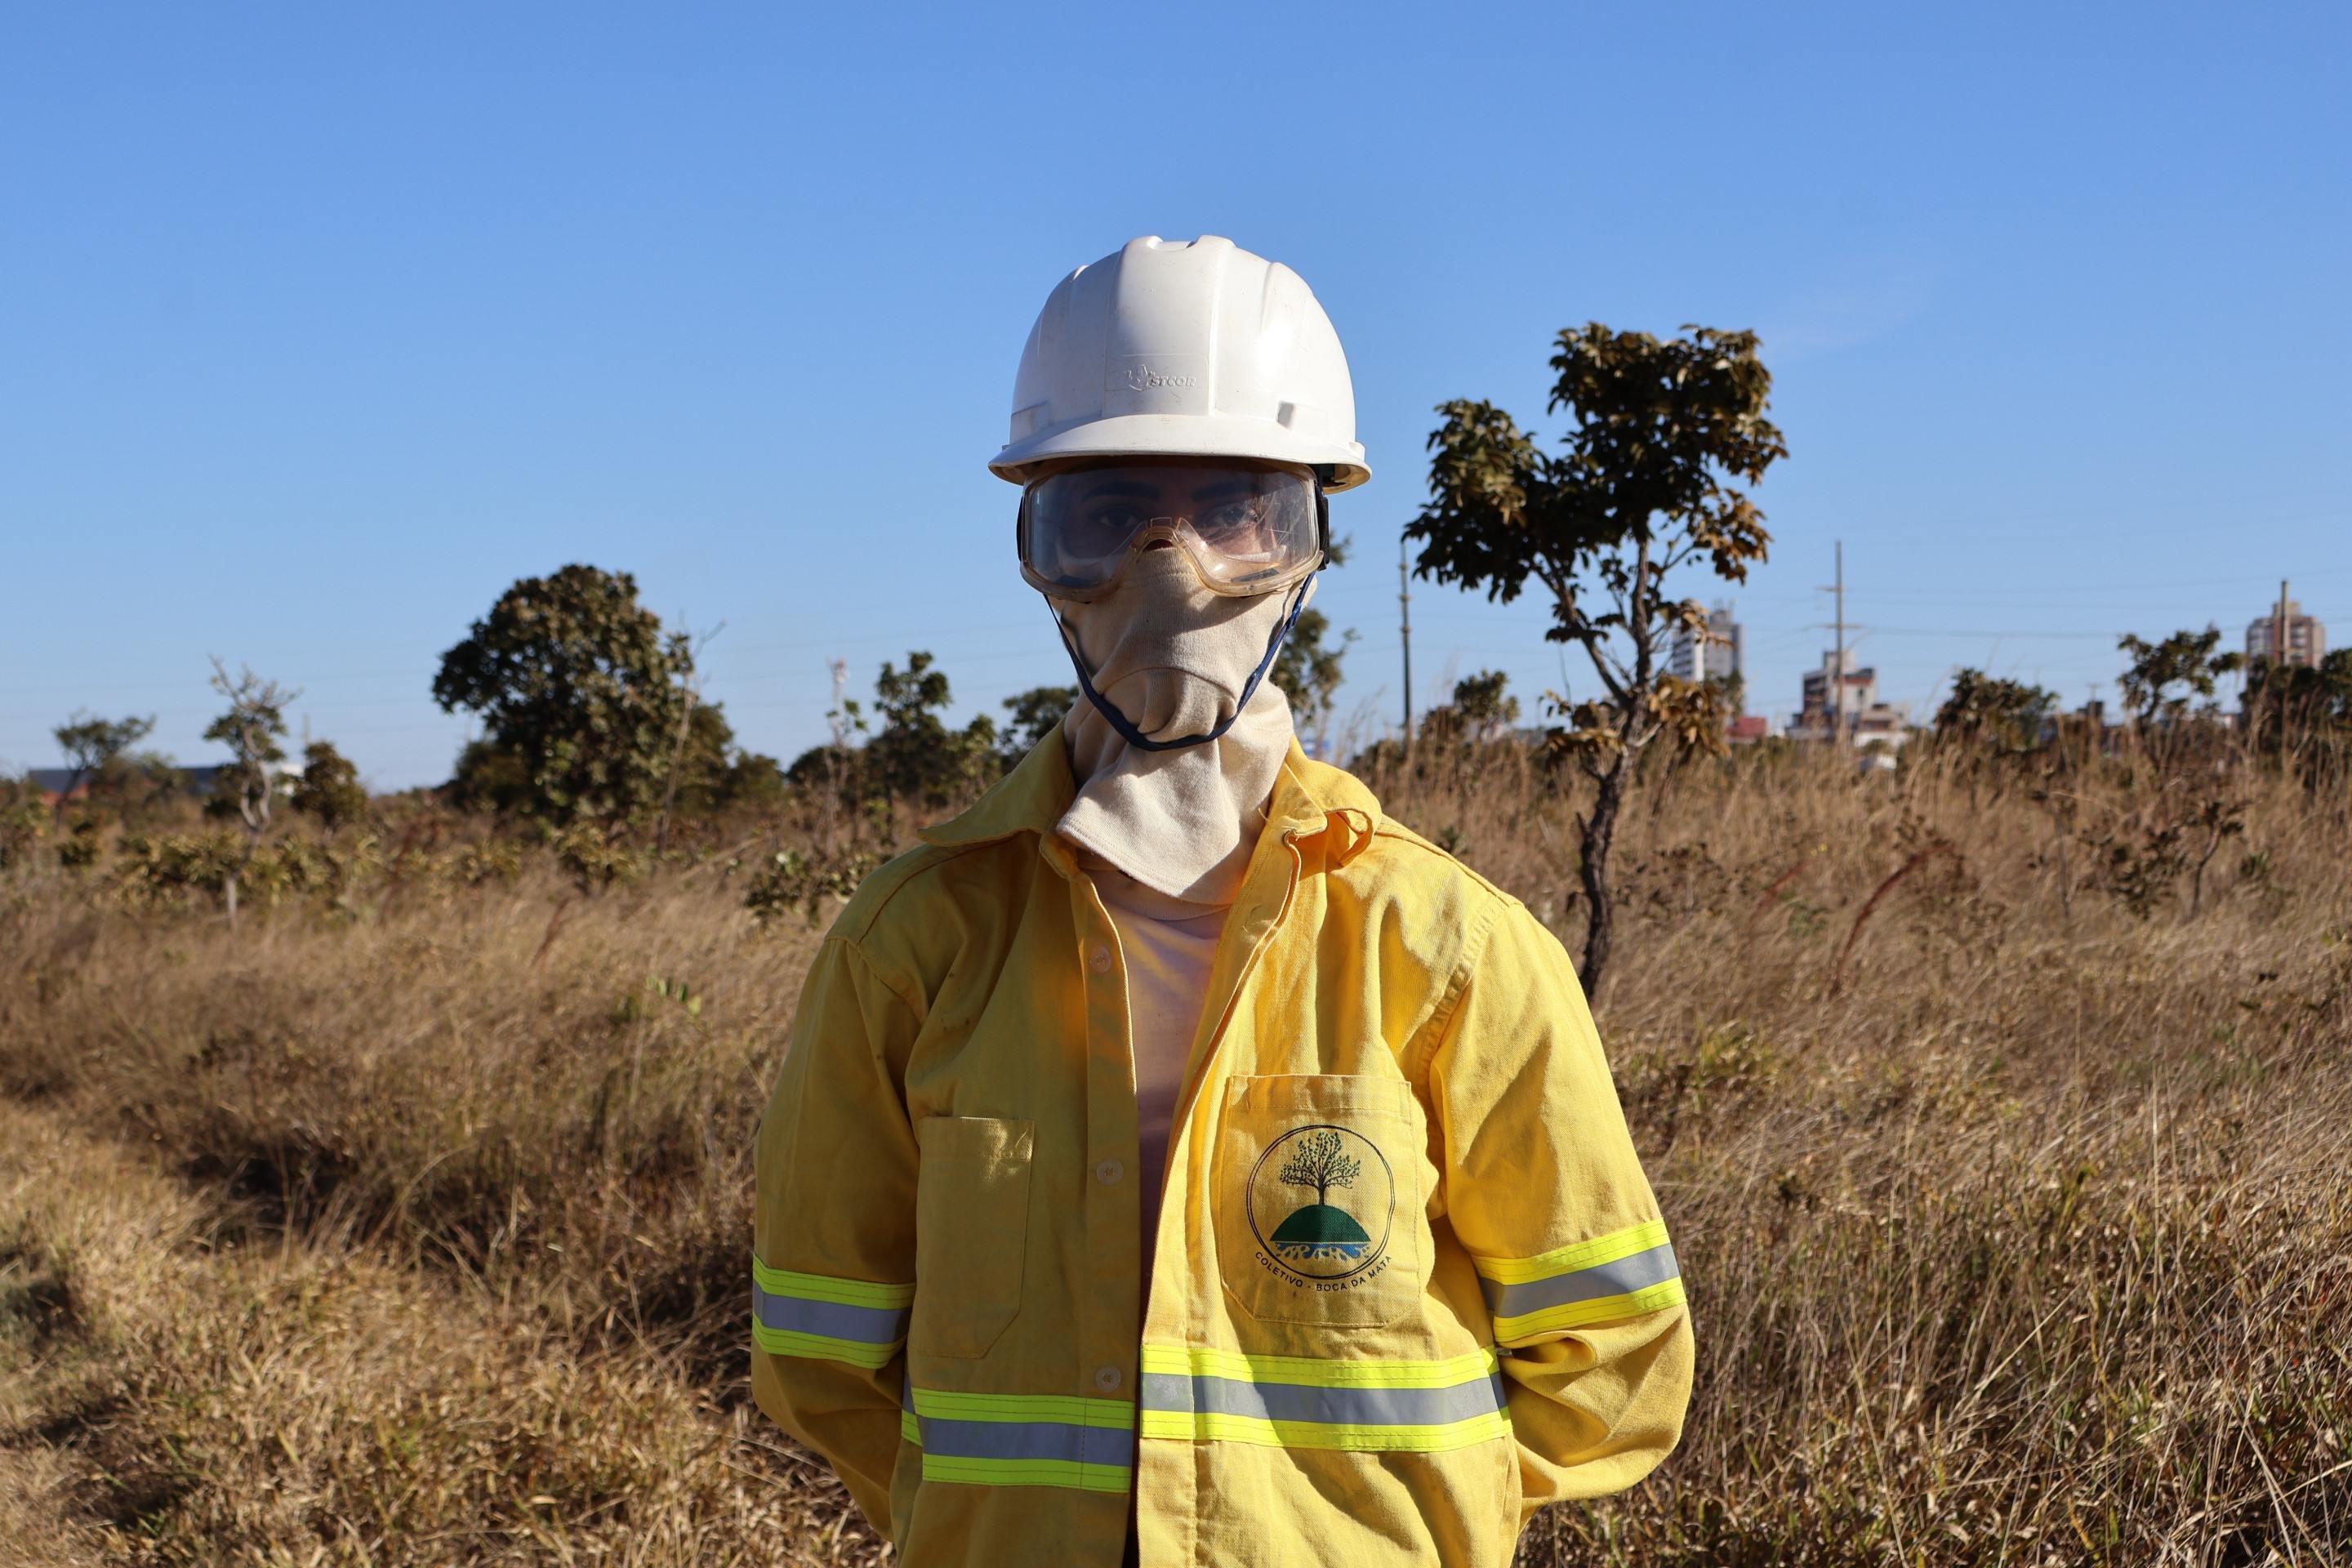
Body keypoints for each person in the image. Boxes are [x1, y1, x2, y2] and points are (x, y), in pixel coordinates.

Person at [751, 235, 1691, 1567]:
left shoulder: (1446, 948)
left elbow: (1613, 1359)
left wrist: (1404, 1529)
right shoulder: (914, 943)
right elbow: (820, 1355)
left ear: (1309, 548)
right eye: (1107, 519)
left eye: (1236, 513)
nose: (1171, 570)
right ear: (1038, 553)